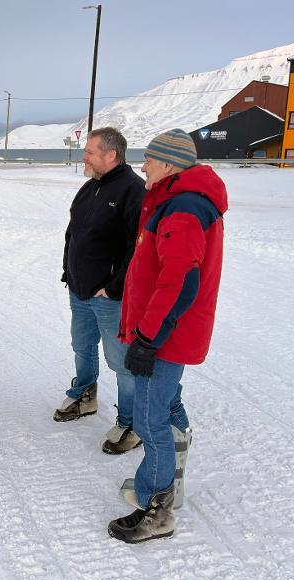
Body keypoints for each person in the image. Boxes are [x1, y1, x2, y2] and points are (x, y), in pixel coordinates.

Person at [107, 129, 227, 544]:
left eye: (151, 160)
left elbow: (180, 281)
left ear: (171, 165)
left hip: (163, 336)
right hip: (168, 333)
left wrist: (147, 338)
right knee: (168, 404)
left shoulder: (183, 208)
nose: (144, 166)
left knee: (149, 419)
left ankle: (158, 509)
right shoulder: (178, 201)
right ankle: (164, 487)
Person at [56, 127, 145, 455]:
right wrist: (70, 271)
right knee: (82, 347)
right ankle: (85, 396)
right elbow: (74, 232)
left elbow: (136, 248)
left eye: (90, 151)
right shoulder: (90, 187)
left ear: (111, 154)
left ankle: (131, 423)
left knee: (121, 362)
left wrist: (115, 287)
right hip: (79, 290)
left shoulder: (133, 191)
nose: (85, 156)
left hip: (110, 297)